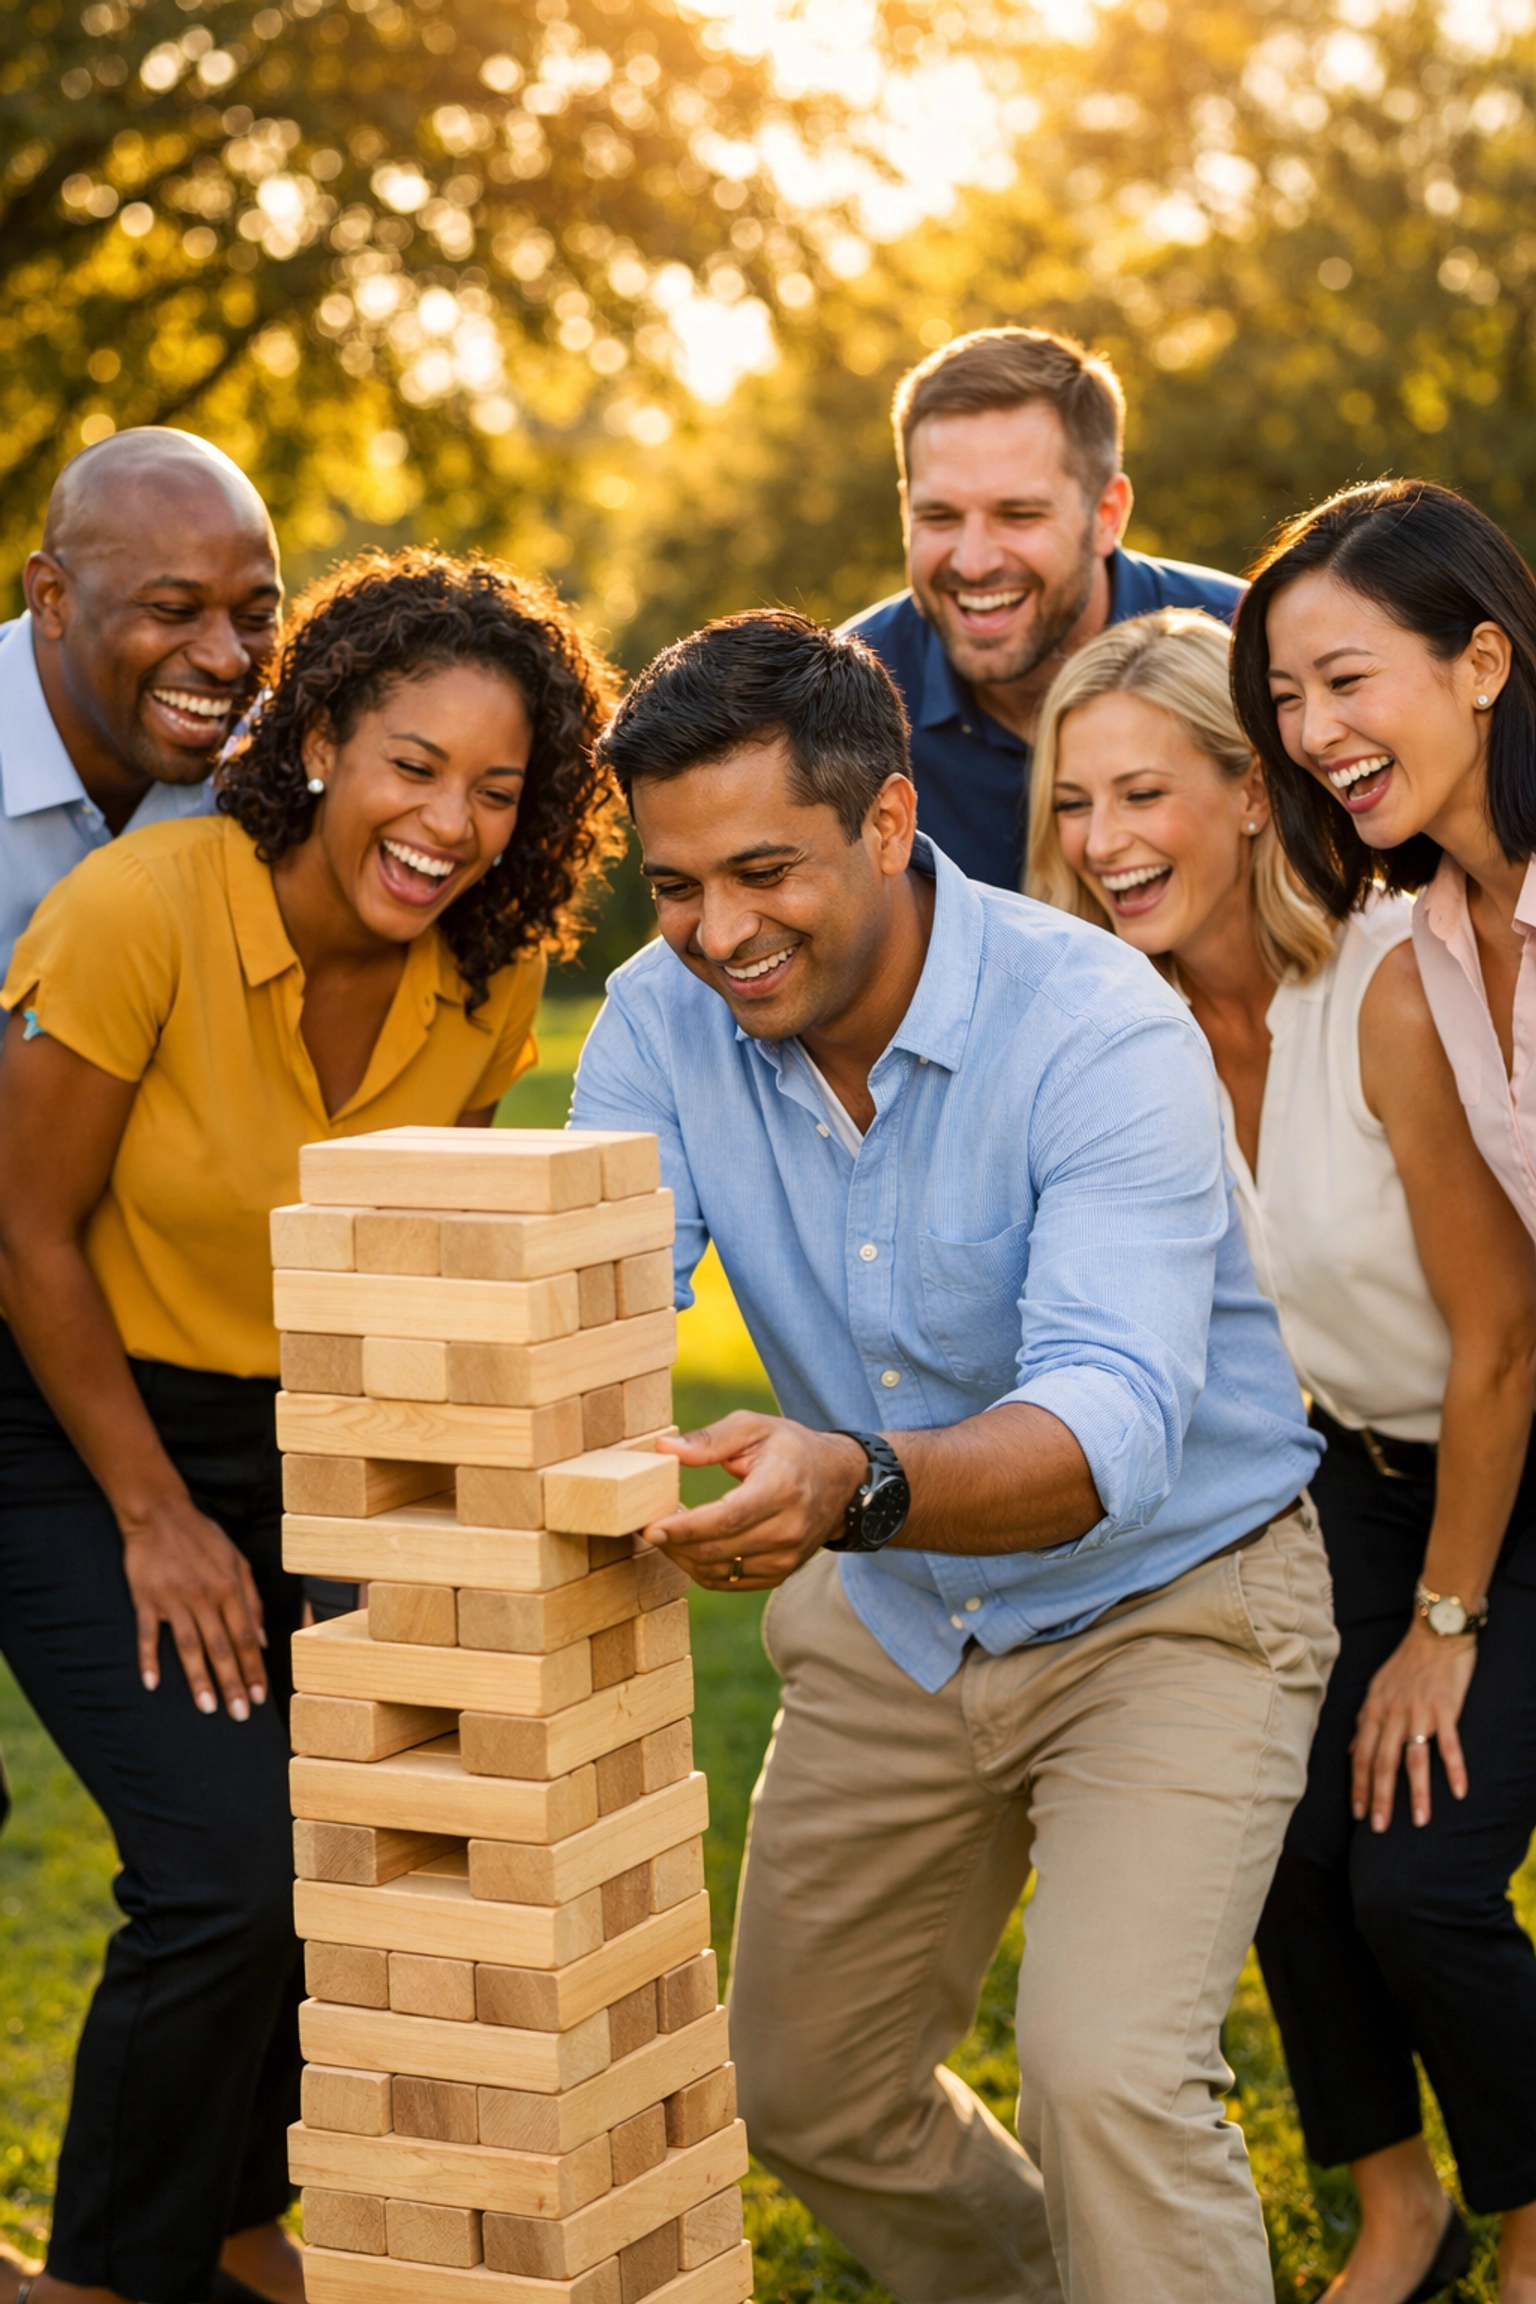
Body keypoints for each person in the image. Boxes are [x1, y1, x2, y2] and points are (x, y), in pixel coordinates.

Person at [570, 606, 1334, 2304]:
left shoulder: (1098, 1027)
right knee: (803, 2087)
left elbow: (1109, 1432)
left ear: (891, 821)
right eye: (675, 885)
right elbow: (590, 1310)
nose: (716, 931)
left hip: (1174, 1599)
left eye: (763, 869)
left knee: (1104, 2070)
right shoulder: (653, 1018)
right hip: (901, 1614)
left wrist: (852, 1476)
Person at [0, 549, 620, 2304]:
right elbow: (21, 1228)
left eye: (500, 790)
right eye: (414, 765)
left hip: (319, 1426)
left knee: (372, 1823)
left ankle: (239, 2212)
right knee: (223, 1860)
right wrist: (148, 1511)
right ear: (326, 736)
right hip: (71, 1411)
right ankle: (107, 2273)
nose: (449, 823)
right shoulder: (145, 907)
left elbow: (423, 1245)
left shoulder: (492, 969)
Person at [1030, 605, 1536, 2304]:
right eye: (1072, 805)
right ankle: (1399, 2207)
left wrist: (1443, 1627)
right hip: (1336, 1479)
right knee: (1279, 1841)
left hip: (1508, 1456)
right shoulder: (1122, 1042)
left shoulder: (1385, 985)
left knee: (1422, 1876)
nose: (1103, 846)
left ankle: (1535, 2219)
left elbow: (1501, 1337)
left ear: (1253, 794)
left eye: (1144, 793)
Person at [0, 427, 281, 2300]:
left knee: (249, 1846)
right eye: (171, 606)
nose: (223, 647)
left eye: (252, 607)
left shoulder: (239, 789)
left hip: (91, 1362)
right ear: (51, 597)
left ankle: (213, 2221)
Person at [842, 325, 1243, 890]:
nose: (974, 561)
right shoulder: (835, 710)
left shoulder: (1251, 647)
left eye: (1018, 515)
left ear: (1107, 514)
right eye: (940, 517)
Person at [0, 426, 283, 975]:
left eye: (254, 619)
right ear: (51, 598)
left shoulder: (279, 762)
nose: (228, 660)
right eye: (175, 610)